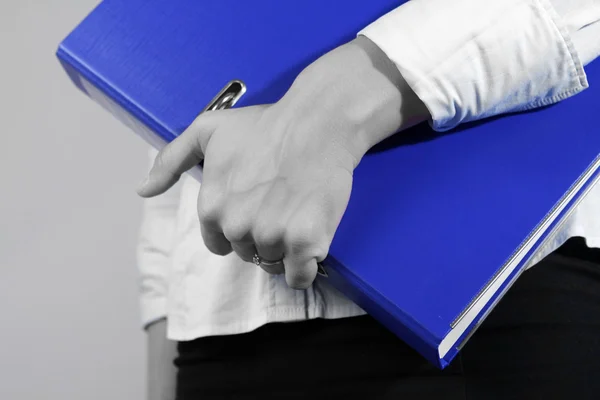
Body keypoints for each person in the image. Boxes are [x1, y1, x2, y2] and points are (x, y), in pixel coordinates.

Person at [135, 0, 600, 398]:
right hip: (224, 324)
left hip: (496, 286)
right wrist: (165, 340)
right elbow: (175, 150)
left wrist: (331, 109)